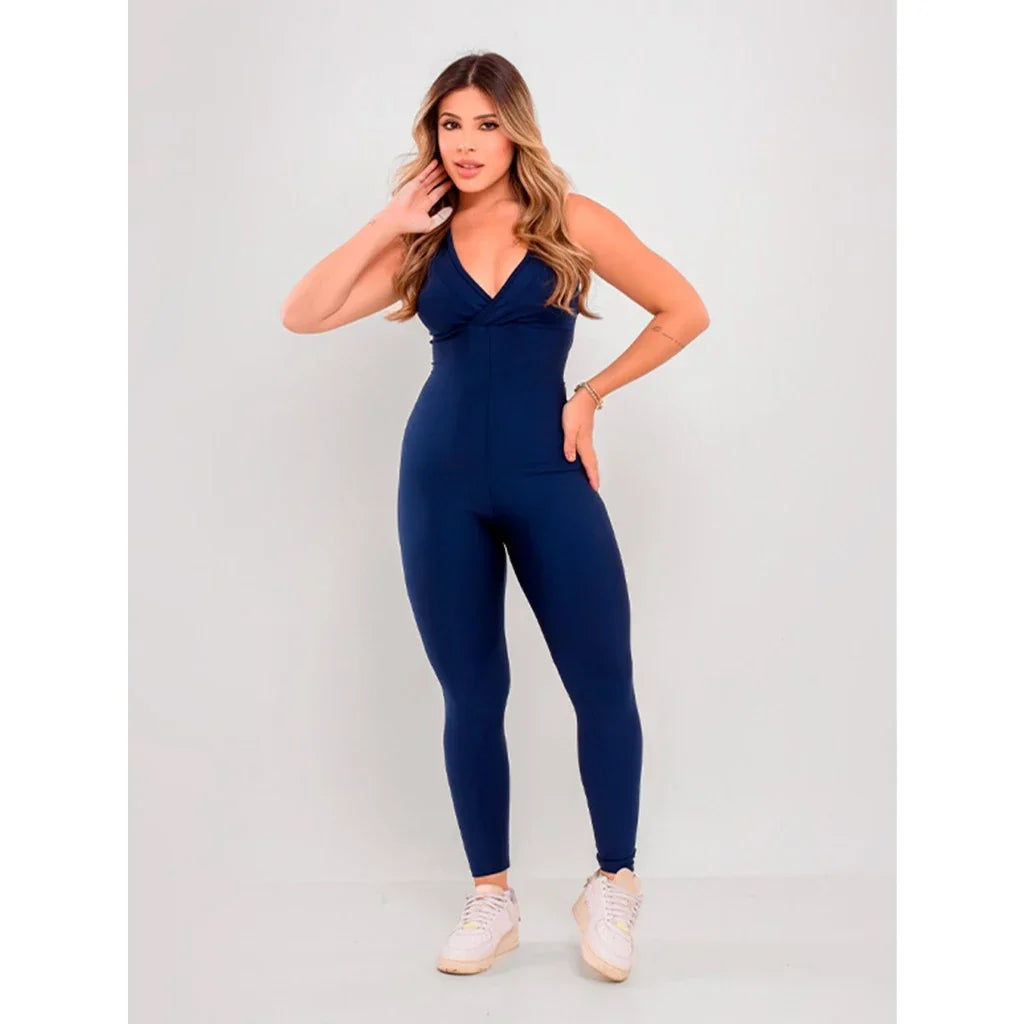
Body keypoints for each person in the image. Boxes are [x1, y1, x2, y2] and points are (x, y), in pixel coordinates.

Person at [281, 51, 710, 982]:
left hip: (550, 476)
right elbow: (303, 315)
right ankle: (493, 897)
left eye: (485, 124)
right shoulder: (421, 239)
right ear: (430, 135)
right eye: (450, 125)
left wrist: (591, 393)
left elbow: (684, 310)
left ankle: (614, 884)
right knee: (471, 694)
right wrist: (386, 222)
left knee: (603, 682)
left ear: (516, 129)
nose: (467, 144)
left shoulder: (571, 220)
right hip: (438, 483)